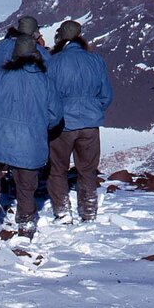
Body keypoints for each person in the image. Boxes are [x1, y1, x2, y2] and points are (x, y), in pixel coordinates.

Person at [0, 35, 63, 238]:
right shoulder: (45, 82)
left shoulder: (4, 76)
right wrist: (39, 128)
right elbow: (55, 115)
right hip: (30, 143)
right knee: (26, 186)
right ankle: (25, 225)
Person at [46, 20, 113, 223]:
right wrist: (93, 110)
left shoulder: (53, 62)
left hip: (62, 124)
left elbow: (47, 95)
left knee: (57, 169)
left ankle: (63, 213)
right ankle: (89, 212)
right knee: (87, 170)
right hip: (90, 123)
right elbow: (107, 95)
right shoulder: (96, 60)